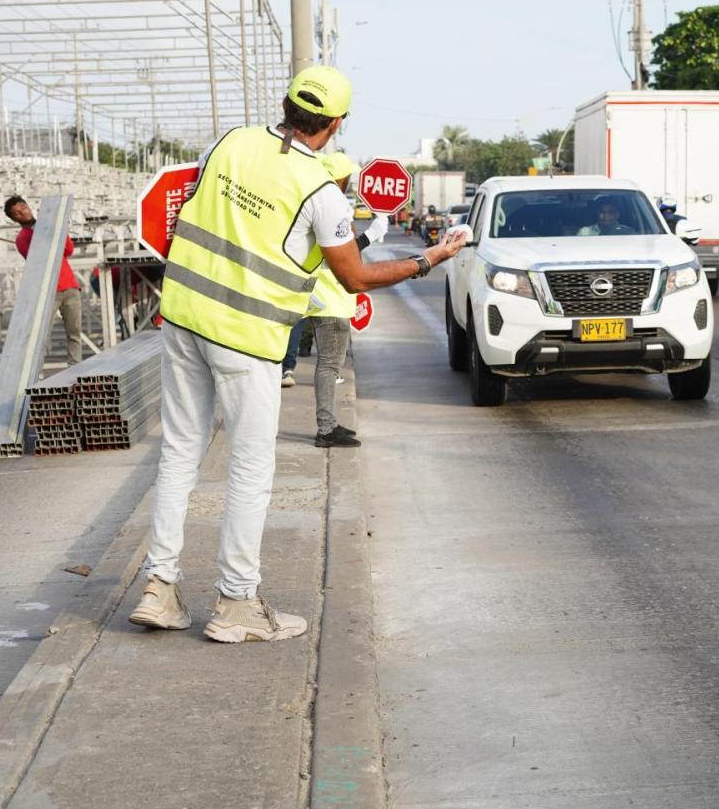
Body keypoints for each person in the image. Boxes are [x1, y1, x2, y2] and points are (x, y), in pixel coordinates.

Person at [128, 64, 466, 643]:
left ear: (286, 104)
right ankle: (236, 603)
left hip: (182, 319)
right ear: (335, 123)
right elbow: (354, 276)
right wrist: (430, 258)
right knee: (250, 469)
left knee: (181, 453)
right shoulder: (322, 193)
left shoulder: (229, 142)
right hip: (246, 337)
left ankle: (158, 588)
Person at [309, 151, 366, 449]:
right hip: (331, 298)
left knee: (330, 365)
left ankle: (329, 423)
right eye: (348, 177)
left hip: (329, 297)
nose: (350, 182)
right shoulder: (333, 205)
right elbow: (345, 254)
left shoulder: (322, 202)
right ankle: (326, 429)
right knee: (330, 365)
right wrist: (368, 239)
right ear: (340, 178)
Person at [5, 195, 83, 365]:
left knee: (74, 332)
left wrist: (57, 230)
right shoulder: (22, 238)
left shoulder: (51, 226)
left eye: (23, 208)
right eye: (17, 213)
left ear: (28, 206)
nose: (23, 213)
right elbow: (38, 259)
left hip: (69, 285)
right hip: (48, 290)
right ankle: (35, 371)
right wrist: (46, 232)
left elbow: (68, 250)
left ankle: (75, 368)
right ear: (14, 219)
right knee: (42, 334)